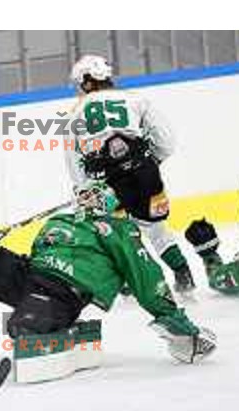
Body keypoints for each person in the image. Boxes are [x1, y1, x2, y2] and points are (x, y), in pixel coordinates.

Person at [0, 182, 216, 383]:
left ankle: (37, 322)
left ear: (109, 204)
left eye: (93, 198)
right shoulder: (60, 222)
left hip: (62, 293)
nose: (86, 202)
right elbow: (36, 255)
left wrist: (179, 326)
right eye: (83, 197)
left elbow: (146, 277)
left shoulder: (119, 229)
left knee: (23, 328)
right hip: (30, 277)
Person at [64, 54, 194, 294]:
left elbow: (74, 157)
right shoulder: (137, 100)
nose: (79, 89)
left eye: (80, 84)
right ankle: (183, 274)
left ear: (87, 81)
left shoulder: (76, 112)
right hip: (146, 176)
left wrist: (83, 188)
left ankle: (128, 286)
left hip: (107, 184)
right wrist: (150, 161)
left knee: (118, 235)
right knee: (156, 230)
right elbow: (166, 141)